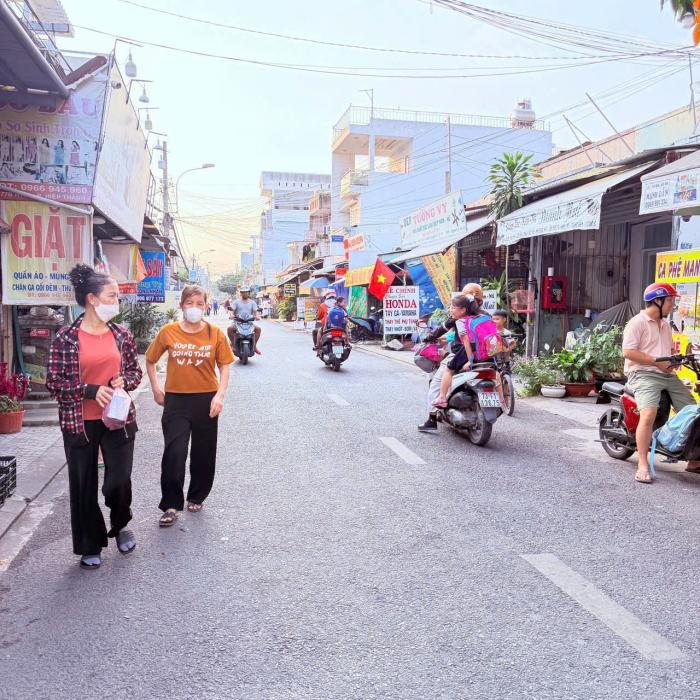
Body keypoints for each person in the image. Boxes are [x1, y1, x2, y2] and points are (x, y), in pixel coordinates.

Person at [46, 264, 143, 570]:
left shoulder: (122, 334)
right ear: (92, 299)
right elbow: (54, 382)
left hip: (118, 418)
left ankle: (120, 523)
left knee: (119, 480)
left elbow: (135, 372)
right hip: (79, 422)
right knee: (83, 483)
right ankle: (90, 543)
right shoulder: (66, 338)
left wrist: (124, 381)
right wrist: (89, 390)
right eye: (111, 296)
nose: (117, 302)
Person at [146, 285, 234, 525]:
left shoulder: (215, 334)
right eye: (189, 303)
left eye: (199, 304)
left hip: (206, 399)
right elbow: (150, 359)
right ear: (181, 305)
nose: (194, 308)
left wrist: (220, 395)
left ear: (205, 306)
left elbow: (225, 365)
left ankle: (197, 495)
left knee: (203, 452)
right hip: (176, 400)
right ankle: (171, 504)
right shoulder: (168, 332)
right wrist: (155, 388)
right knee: (174, 452)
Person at [622, 282, 700, 484]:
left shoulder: (665, 326)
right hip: (643, 374)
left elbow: (665, 352)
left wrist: (674, 360)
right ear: (657, 300)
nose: (672, 305)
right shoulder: (637, 322)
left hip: (666, 375)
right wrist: (656, 362)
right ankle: (642, 464)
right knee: (649, 413)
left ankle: (693, 460)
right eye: (670, 300)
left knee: (693, 412)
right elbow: (628, 352)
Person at [418, 283, 485, 432]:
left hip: (462, 354)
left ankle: (432, 417)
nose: (451, 309)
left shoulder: (459, 318)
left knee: (437, 382)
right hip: (484, 355)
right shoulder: (485, 315)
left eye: (453, 307)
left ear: (463, 306)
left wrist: (428, 338)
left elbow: (442, 331)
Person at [432, 295, 484, 408]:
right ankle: (501, 399)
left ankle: (442, 398)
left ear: (463, 310)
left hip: (470, 351)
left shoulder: (461, 321)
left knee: (448, 369)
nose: (451, 310)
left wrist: (470, 360)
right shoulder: (481, 316)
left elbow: (466, 342)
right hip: (485, 351)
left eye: (453, 307)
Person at [227, 286, 262, 354]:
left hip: (249, 323)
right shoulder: (236, 302)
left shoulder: (252, 302)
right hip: (237, 322)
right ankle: (233, 345)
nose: (245, 293)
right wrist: (231, 315)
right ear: (240, 293)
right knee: (229, 328)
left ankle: (254, 346)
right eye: (243, 292)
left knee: (258, 329)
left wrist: (257, 316)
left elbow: (256, 311)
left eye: (246, 292)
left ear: (249, 293)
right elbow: (231, 310)